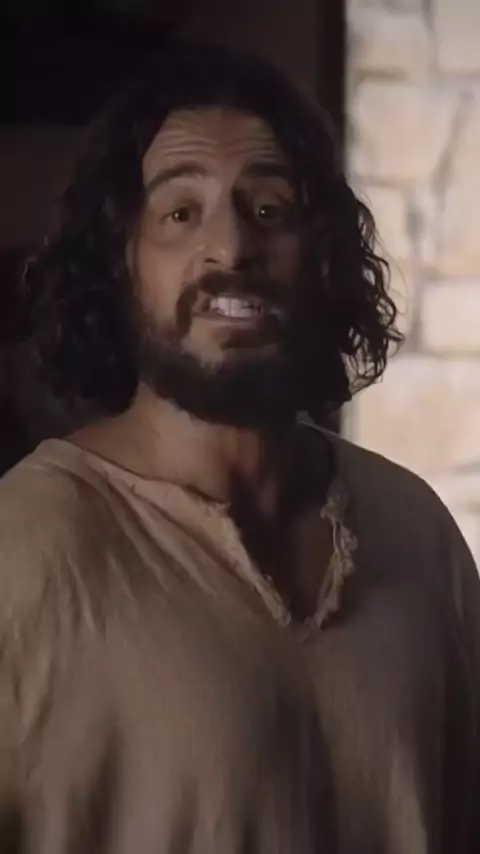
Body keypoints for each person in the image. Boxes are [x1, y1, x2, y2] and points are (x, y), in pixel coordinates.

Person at [1, 42, 479, 854]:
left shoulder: (417, 533)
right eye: (180, 212)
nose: (230, 248)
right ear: (122, 262)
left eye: (269, 209)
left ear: (319, 256)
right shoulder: (26, 552)